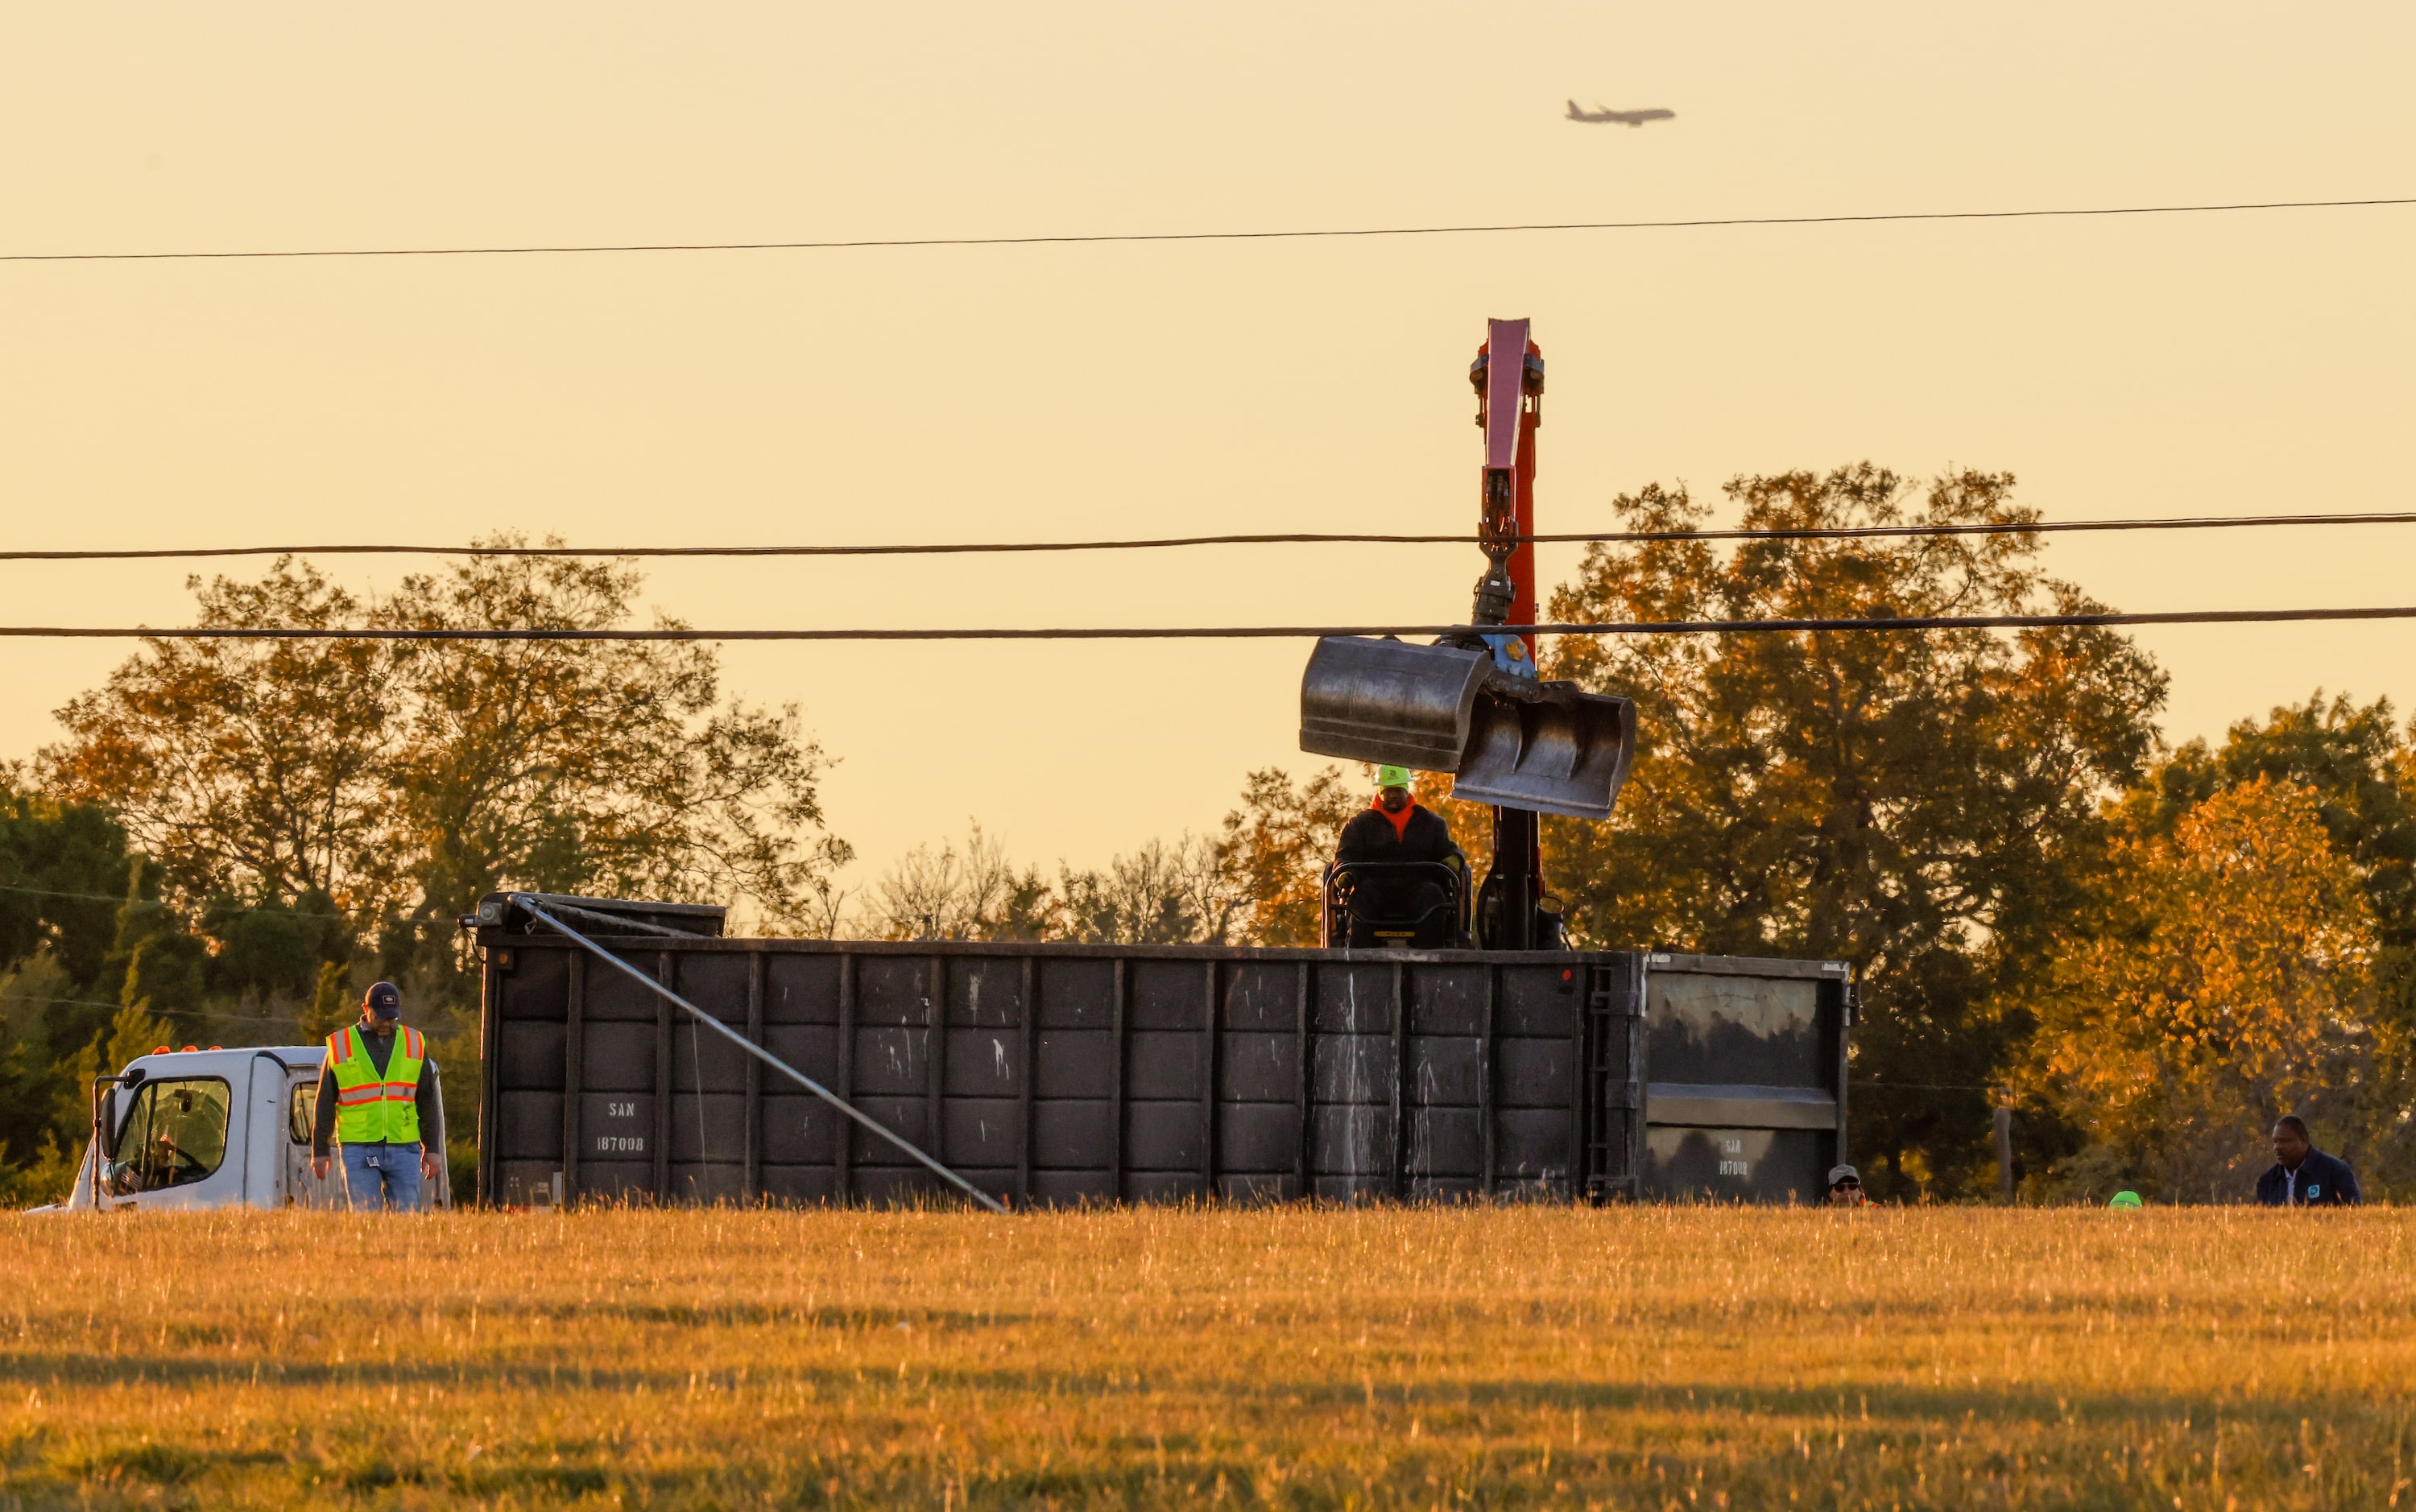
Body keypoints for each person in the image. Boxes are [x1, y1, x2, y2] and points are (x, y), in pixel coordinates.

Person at [309, 981, 444, 1212]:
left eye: (392, 1018)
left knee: (407, 1219)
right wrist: (320, 1151)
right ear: (365, 1009)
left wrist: (432, 1148)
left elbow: (428, 1100)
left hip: (404, 1146)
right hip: (358, 1147)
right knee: (365, 1217)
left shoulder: (414, 1042)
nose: (387, 1023)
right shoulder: (341, 1045)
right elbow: (324, 1102)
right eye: (381, 1016)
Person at [1333, 766, 1467, 944]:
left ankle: (1432, 958)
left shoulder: (1431, 823)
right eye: (1388, 790)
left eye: (1397, 789)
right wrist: (1344, 873)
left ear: (1407, 789)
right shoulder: (1360, 825)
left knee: (1433, 896)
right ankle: (1359, 960)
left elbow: (1448, 850)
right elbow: (1347, 854)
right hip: (1375, 886)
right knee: (1361, 898)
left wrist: (1453, 861)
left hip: (1418, 886)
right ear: (1381, 792)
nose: (1393, 794)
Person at [2255, 1115, 2360, 1207]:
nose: (2277, 1147)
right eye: (2275, 1142)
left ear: (2304, 1141)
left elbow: (2352, 1211)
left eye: (2284, 1141)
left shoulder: (2334, 1170)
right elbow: (2260, 1220)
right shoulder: (2268, 1180)